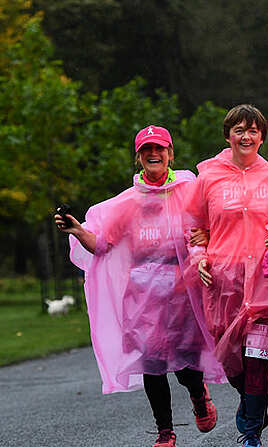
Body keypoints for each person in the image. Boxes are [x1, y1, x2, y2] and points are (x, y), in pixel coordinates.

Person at [56, 125, 225, 447]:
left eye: (159, 149)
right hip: (143, 299)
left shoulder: (190, 191)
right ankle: (165, 431)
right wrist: (78, 231)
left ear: (170, 154)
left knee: (186, 363)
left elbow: (212, 225)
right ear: (139, 158)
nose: (153, 154)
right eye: (147, 150)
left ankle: (198, 394)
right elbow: (104, 245)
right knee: (152, 363)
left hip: (182, 294)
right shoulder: (127, 204)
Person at [187, 105, 268, 447]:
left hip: (266, 283)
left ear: (262, 137)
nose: (246, 136)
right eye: (239, 130)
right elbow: (195, 227)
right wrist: (199, 258)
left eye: (253, 130)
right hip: (224, 284)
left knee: (257, 358)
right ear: (228, 136)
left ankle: (251, 431)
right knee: (233, 362)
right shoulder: (208, 178)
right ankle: (253, 404)